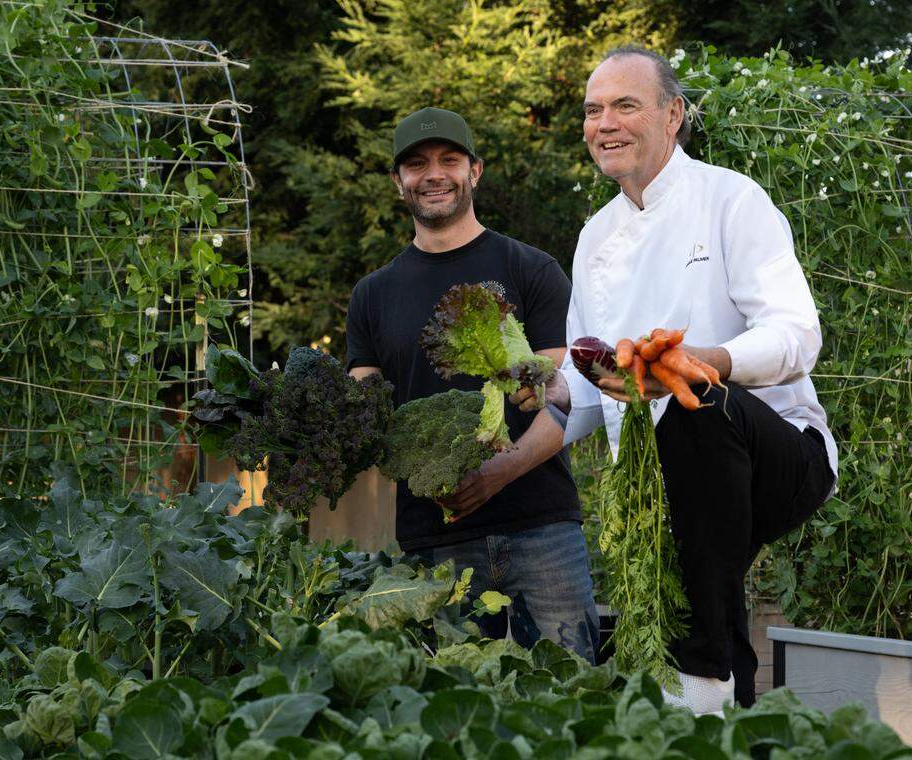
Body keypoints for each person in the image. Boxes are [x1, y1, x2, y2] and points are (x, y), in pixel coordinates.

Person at [557, 46, 838, 711]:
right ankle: (727, 708)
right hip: (666, 488)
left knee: (693, 403)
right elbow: (591, 381)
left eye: (625, 105)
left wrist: (707, 360)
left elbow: (799, 333)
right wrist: (537, 388)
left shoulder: (731, 200)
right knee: (697, 569)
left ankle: (704, 688)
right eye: (594, 111)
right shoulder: (596, 238)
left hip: (779, 454)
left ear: (673, 114)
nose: (606, 123)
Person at [345, 106, 600, 662]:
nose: (433, 174)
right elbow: (364, 412)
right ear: (398, 181)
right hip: (433, 536)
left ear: (474, 172)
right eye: (416, 164)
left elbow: (564, 400)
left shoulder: (532, 269)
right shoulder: (372, 294)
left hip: (542, 525)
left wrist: (498, 472)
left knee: (571, 694)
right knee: (450, 710)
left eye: (449, 160)